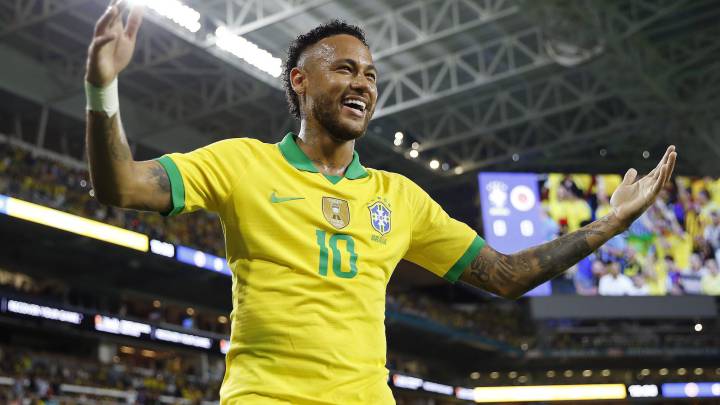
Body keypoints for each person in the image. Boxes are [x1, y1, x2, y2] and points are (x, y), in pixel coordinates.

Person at [84, 1, 677, 403]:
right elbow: (122, 186)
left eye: (370, 75)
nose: (363, 84)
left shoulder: (401, 198)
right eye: (344, 69)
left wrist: (611, 222)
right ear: (299, 81)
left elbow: (505, 274)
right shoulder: (242, 162)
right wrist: (102, 85)